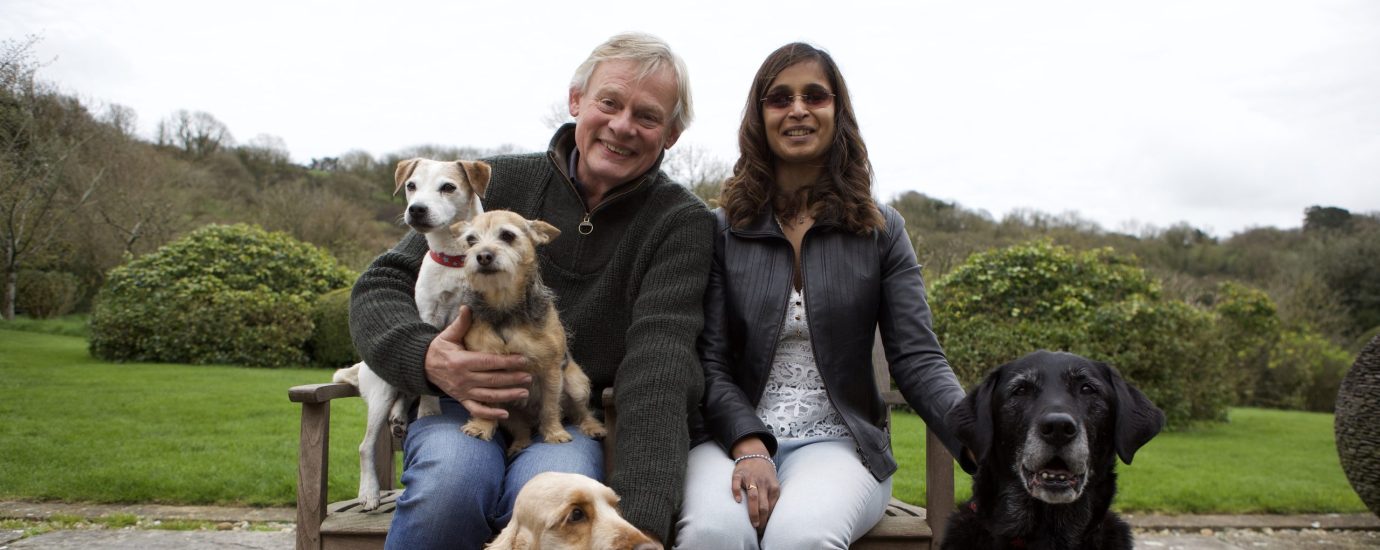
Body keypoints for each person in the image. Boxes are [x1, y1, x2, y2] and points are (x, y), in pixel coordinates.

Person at [349, 32, 714, 549]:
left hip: (557, 417)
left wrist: (643, 524)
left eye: (648, 116)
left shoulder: (680, 223)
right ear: (575, 101)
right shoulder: (494, 185)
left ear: (672, 134)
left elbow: (662, 365)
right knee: (449, 490)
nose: (622, 126)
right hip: (460, 407)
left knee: (557, 503)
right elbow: (380, 285)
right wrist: (427, 358)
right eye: (608, 102)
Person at [674, 42, 968, 549]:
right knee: (711, 533)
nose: (798, 110)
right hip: (728, 441)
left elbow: (918, 359)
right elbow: (711, 361)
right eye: (779, 98)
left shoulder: (881, 229)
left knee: (803, 537)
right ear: (759, 116)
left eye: (815, 96)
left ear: (837, 111)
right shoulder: (722, 229)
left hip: (841, 444)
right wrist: (748, 445)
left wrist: (983, 438)